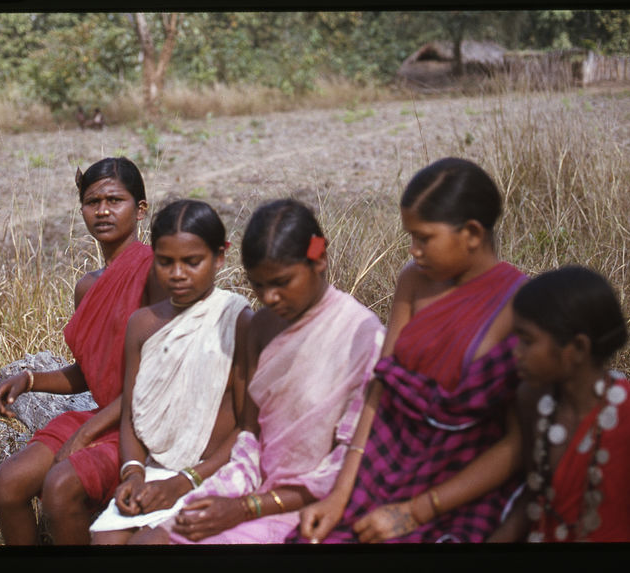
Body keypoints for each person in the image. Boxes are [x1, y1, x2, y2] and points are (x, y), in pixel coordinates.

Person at [293, 157, 526, 544]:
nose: (414, 250)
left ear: (471, 232)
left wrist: (417, 512)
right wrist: (340, 495)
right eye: (410, 238)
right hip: (387, 464)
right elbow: (380, 388)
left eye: (424, 238)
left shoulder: (521, 304)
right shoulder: (414, 281)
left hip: (461, 485)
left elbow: (517, 444)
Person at [130, 198, 385, 544]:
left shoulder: (363, 335)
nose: (270, 297)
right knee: (150, 542)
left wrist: (247, 508)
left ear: (319, 260)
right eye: (258, 285)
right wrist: (227, 498)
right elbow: (250, 436)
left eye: (282, 282)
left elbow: (347, 460)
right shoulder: (262, 326)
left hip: (317, 501)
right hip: (252, 483)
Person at [0, 157, 167, 545]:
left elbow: (157, 378)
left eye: (114, 200)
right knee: (8, 483)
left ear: (140, 210)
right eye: (92, 201)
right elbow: (92, 373)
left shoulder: (157, 272)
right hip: (102, 413)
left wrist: (87, 434)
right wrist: (30, 379)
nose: (102, 210)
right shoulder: (88, 286)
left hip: (141, 423)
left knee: (62, 484)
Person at [487, 266, 630, 542]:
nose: (516, 352)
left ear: (577, 348)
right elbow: (537, 497)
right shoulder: (533, 401)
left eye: (527, 341)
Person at [89, 199, 252, 544]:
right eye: (166, 262)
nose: (177, 274)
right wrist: (132, 473)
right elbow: (132, 414)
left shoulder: (236, 319)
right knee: (105, 542)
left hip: (214, 471)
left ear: (220, 256)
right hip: (153, 469)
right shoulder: (143, 324)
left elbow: (247, 426)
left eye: (192, 262)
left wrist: (185, 481)